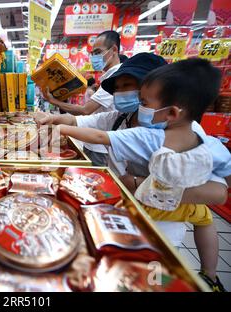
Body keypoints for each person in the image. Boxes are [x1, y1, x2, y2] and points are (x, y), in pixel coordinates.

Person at [49, 58, 231, 291]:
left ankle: (207, 277)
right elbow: (82, 122)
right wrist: (53, 118)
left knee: (149, 280)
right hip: (120, 216)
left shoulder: (185, 133)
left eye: (129, 86)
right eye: (118, 87)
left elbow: (217, 192)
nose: (121, 93)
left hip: (160, 226)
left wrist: (139, 184)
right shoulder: (119, 118)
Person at [41, 30, 122, 166]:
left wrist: (54, 102)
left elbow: (85, 110)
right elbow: (82, 118)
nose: (94, 57)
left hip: (102, 145)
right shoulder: (107, 78)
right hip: (94, 139)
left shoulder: (116, 78)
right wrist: (54, 118)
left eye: (98, 52)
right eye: (92, 54)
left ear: (114, 49)